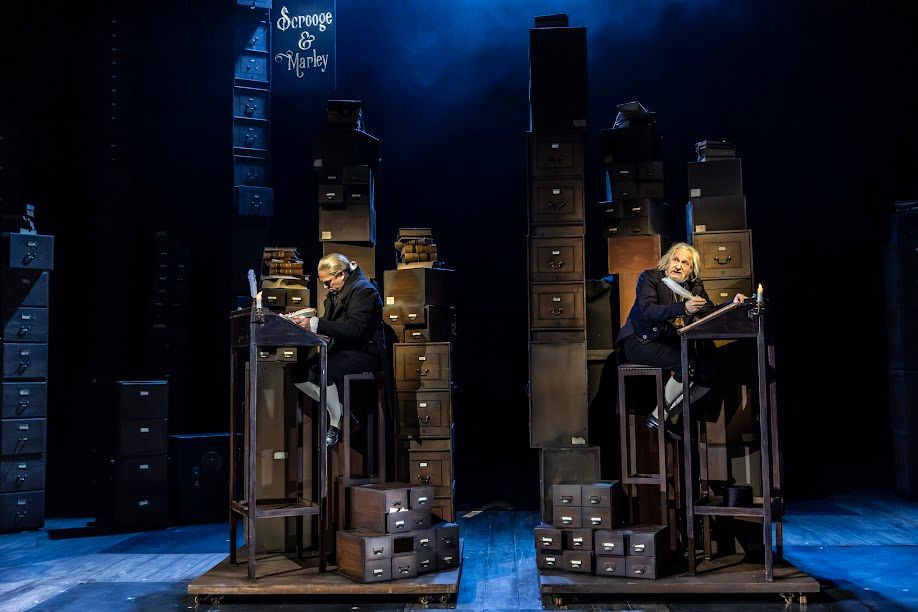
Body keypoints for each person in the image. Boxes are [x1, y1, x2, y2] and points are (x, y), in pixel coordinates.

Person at [616, 242, 745, 435]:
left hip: (666, 343)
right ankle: (660, 416)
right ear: (667, 261)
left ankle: (665, 415)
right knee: (686, 363)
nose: (678, 266)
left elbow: (709, 312)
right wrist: (683, 308)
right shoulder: (650, 278)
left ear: (691, 270)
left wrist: (731, 304)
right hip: (640, 341)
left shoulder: (694, 287)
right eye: (675, 260)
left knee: (709, 370)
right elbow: (648, 311)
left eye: (685, 263)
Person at [290, 253, 384, 446]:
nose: (326, 287)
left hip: (364, 351)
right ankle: (341, 411)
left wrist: (316, 324)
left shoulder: (364, 291)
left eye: (328, 282)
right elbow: (333, 326)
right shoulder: (336, 293)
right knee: (298, 373)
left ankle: (335, 423)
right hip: (343, 348)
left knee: (323, 372)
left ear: (341, 274)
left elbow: (355, 329)